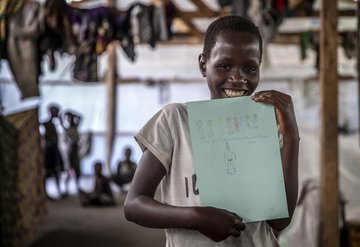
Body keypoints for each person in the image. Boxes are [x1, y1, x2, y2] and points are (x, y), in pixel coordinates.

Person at [124, 15, 299, 246]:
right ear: (203, 65)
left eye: (249, 68)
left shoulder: (266, 128)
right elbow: (134, 204)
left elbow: (280, 222)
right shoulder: (175, 121)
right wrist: (195, 217)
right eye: (224, 66)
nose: (238, 78)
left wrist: (291, 137)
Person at [40, 104, 64, 199]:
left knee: (56, 171)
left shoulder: (54, 124)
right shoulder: (47, 123)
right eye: (56, 112)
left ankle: (58, 190)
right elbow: (46, 136)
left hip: (54, 150)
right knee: (47, 171)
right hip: (49, 150)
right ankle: (45, 192)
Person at [61, 110, 82, 194]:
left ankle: (77, 186)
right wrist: (65, 115)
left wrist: (72, 113)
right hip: (71, 150)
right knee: (69, 169)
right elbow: (61, 122)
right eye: (69, 119)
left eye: (71, 119)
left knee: (76, 169)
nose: (71, 121)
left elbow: (80, 117)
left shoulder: (75, 127)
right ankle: (66, 188)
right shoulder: (67, 129)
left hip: (75, 150)